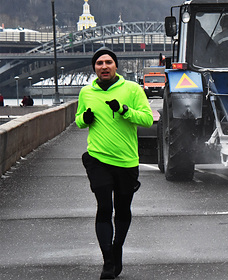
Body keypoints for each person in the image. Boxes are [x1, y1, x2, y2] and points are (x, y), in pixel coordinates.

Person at [75, 47, 153, 279]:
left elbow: (147, 119)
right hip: (98, 158)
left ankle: (117, 248)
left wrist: (124, 110)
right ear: (94, 68)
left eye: (108, 62)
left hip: (126, 161)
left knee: (122, 208)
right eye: (99, 63)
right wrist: (84, 119)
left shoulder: (132, 89)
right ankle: (108, 261)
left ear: (116, 66)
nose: (104, 66)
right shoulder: (86, 92)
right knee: (104, 207)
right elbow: (79, 120)